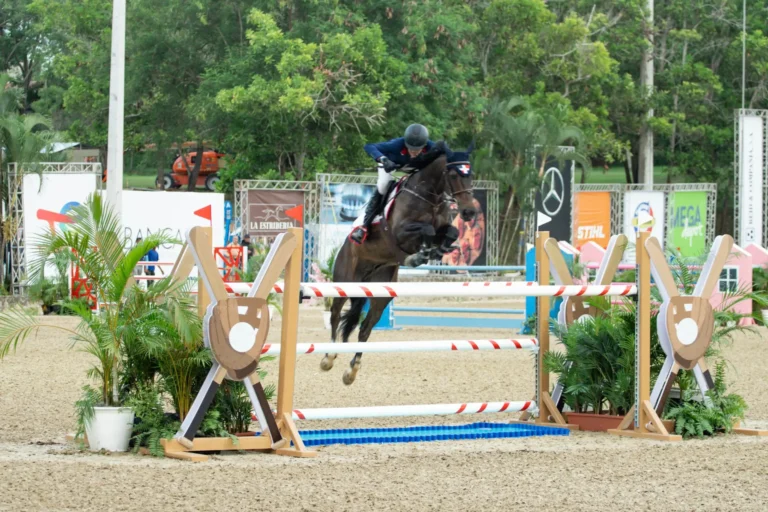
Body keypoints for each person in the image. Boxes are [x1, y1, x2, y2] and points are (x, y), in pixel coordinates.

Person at [349, 123, 438, 245]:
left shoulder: (432, 147)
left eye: (417, 150)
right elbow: (369, 147)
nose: (413, 152)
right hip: (391, 166)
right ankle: (364, 226)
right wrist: (383, 159)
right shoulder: (397, 144)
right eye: (410, 149)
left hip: (414, 171)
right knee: (383, 185)